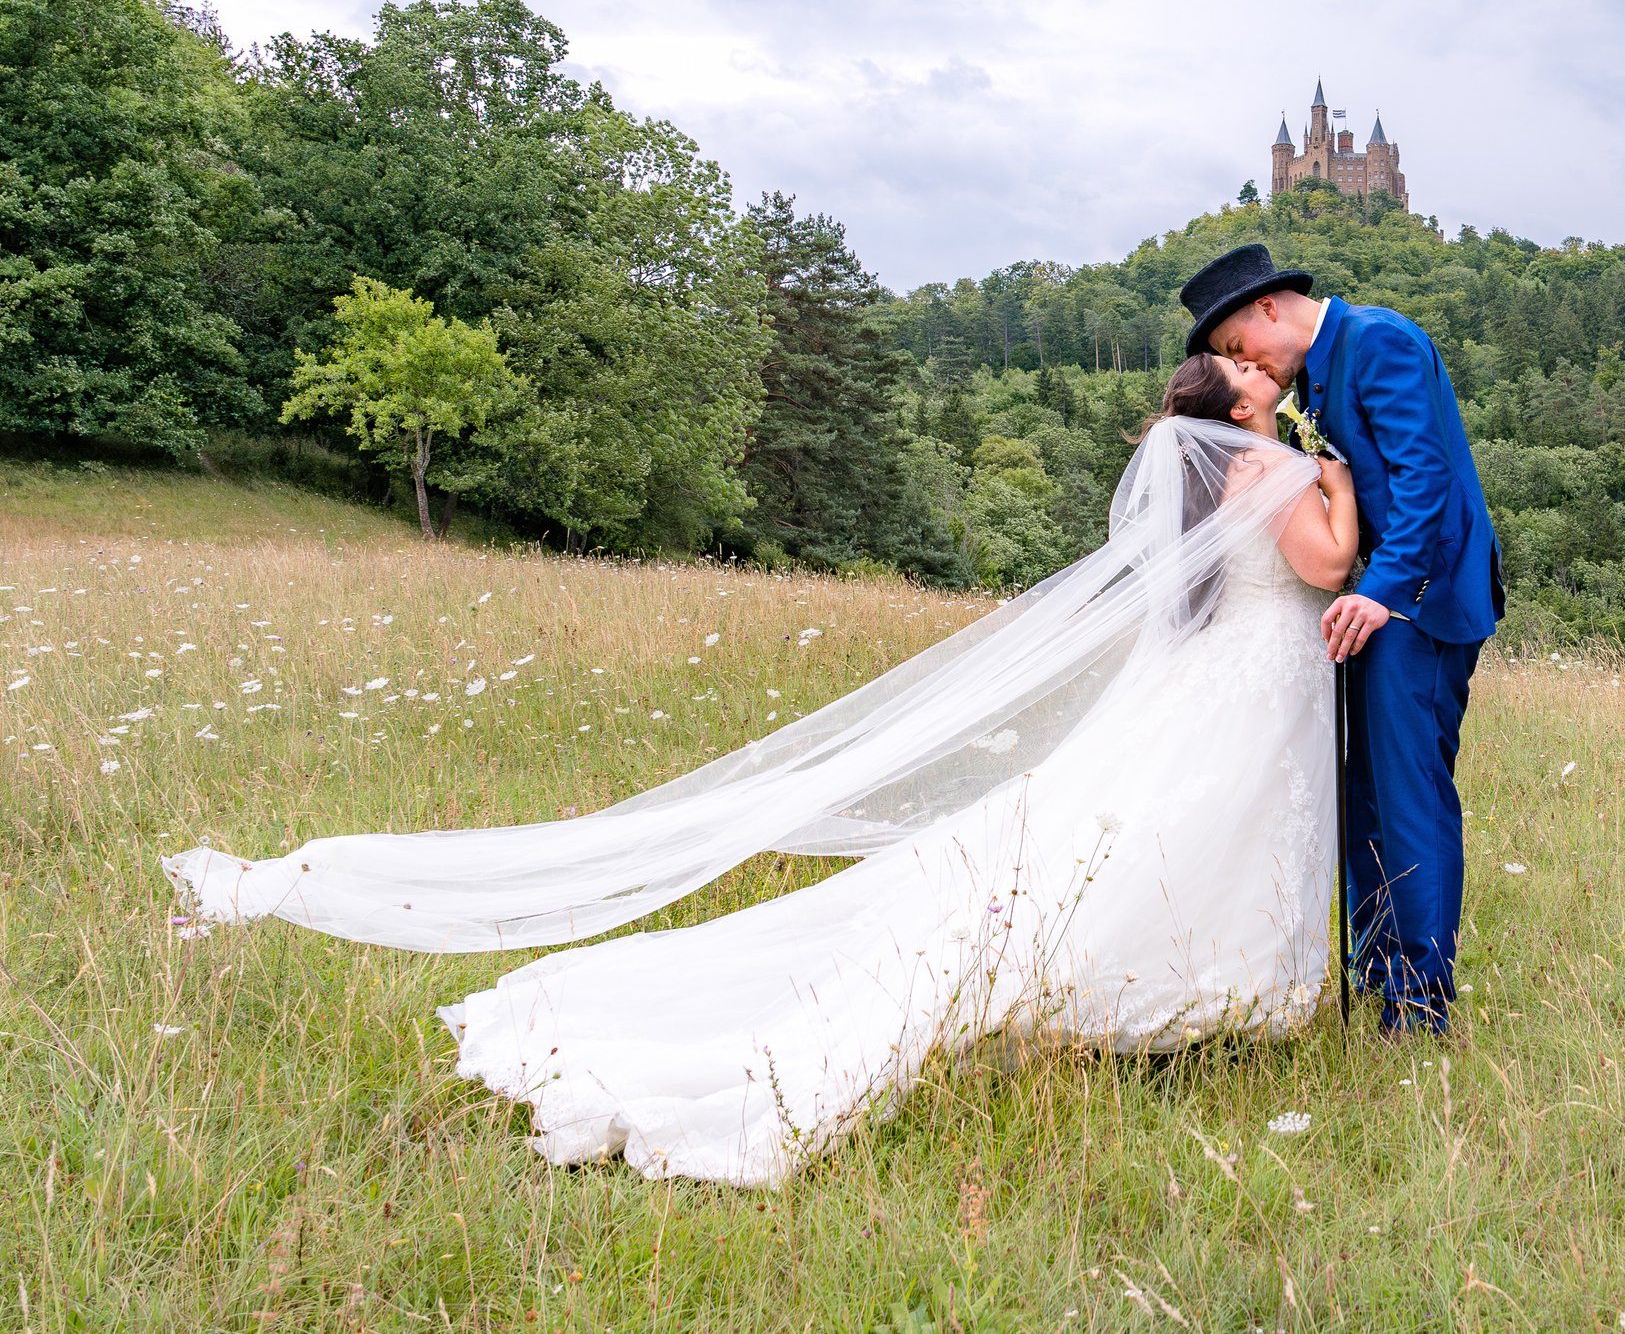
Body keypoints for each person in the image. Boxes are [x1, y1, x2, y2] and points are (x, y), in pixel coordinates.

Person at [164, 356, 1358, 1187]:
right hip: (1258, 680)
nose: (1269, 384)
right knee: (1210, 822)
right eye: (1255, 378)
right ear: (1236, 406)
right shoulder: (1279, 475)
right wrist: (1340, 480)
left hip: (1215, 675)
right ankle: (1185, 1005)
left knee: (1158, 817)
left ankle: (1160, 1003)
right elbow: (1325, 561)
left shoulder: (1195, 479)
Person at [1182, 244, 1502, 1036]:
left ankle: (1420, 1005)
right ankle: (1377, 975)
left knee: (1408, 799)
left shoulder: (1380, 339)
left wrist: (1382, 596)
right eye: (1229, 362)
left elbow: (1425, 480)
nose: (1243, 364)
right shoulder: (1319, 373)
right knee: (1364, 798)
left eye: (1234, 348)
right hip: (1368, 609)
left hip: (1418, 606)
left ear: (1266, 309)